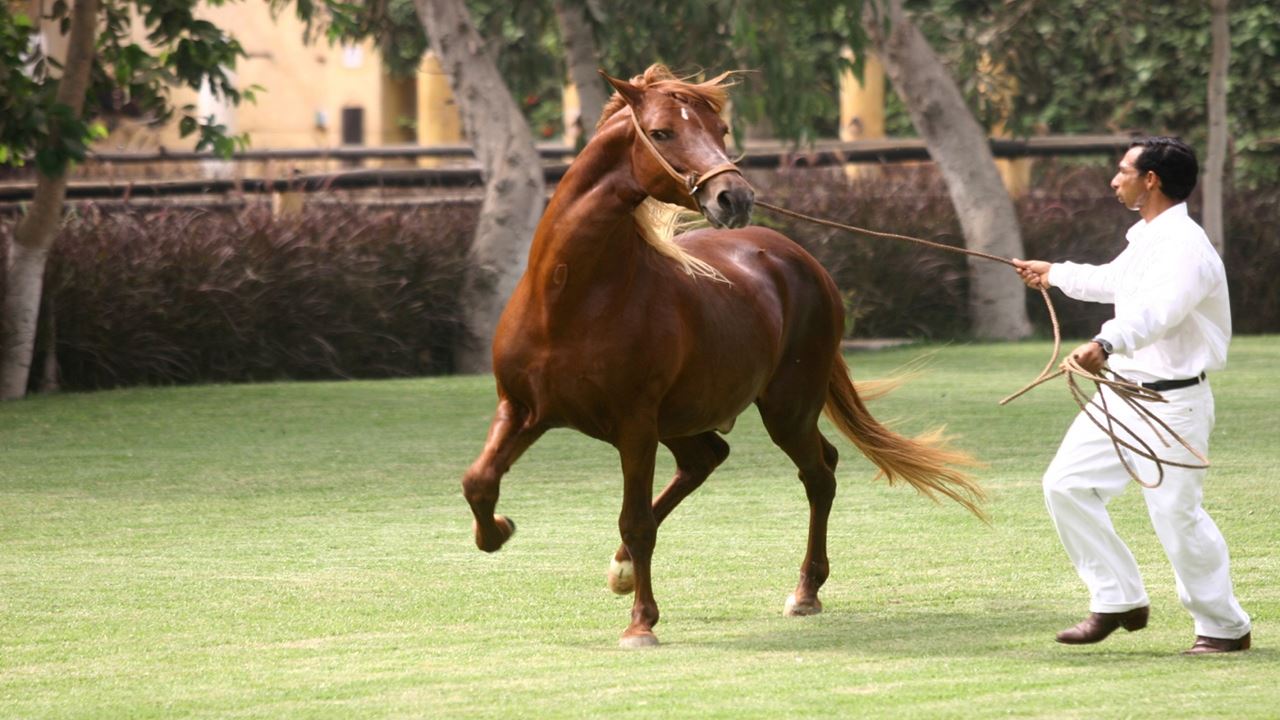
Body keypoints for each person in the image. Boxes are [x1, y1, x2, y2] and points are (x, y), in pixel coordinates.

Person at [1012, 136, 1252, 654]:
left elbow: (1157, 313)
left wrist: (1105, 342)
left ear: (1151, 180)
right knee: (1065, 485)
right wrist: (1053, 274)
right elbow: (1114, 282)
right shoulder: (1147, 238)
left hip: (1174, 403)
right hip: (1122, 396)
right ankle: (1118, 599)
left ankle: (1224, 628)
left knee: (1175, 515)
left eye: (1123, 170)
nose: (1113, 179)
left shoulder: (1186, 247)